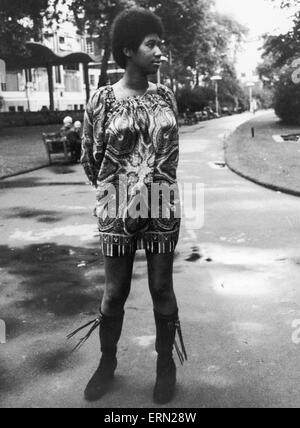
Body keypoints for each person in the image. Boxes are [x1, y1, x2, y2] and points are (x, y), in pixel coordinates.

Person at [69, 7, 187, 405]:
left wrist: (155, 188)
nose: (160, 52)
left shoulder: (166, 95)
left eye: (161, 44)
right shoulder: (101, 99)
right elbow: (89, 157)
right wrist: (116, 194)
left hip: (162, 206)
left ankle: (165, 366)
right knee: (115, 292)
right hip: (116, 207)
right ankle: (106, 363)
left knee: (161, 287)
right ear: (127, 50)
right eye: (151, 44)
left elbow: (171, 152)